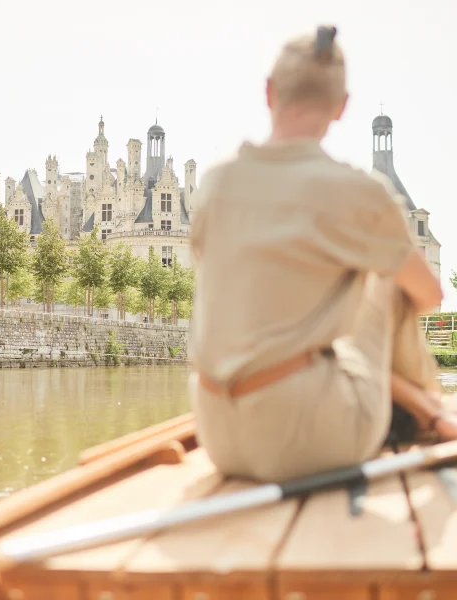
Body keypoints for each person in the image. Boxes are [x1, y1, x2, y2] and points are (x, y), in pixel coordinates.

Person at [188, 25, 457, 482]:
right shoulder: (356, 190)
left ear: (269, 92)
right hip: (306, 437)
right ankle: (432, 411)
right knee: (387, 283)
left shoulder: (214, 182)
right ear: (342, 106)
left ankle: (425, 408)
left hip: (216, 432)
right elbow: (429, 295)